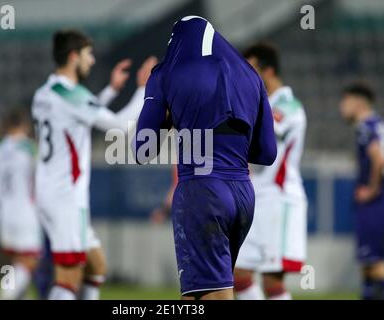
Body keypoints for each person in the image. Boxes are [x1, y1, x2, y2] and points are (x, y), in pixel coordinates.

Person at [133, 16, 277, 300]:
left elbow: (142, 149)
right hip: (243, 195)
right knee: (198, 294)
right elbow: (267, 153)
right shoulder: (250, 75)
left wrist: (171, 118)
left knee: (214, 294)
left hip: (202, 192)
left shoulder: (167, 72)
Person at [31, 29, 157, 299]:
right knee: (69, 276)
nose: (92, 61)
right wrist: (144, 88)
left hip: (51, 192)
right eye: (88, 55)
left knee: (96, 265)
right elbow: (120, 127)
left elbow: (79, 117)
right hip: (65, 196)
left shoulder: (46, 92)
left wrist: (111, 91)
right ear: (74, 56)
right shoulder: (72, 94)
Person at [234, 43, 308, 300]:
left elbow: (265, 126)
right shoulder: (261, 103)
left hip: (280, 199)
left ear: (267, 71)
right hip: (257, 198)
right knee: (238, 275)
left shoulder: (290, 105)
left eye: (250, 69)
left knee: (272, 282)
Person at [0, 110, 42, 299]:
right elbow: (40, 180)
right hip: (25, 211)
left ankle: (18, 295)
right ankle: (4, 295)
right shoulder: (29, 148)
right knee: (30, 259)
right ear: (23, 126)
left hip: (3, 212)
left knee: (14, 260)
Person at [339, 83, 384, 300]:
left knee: (374, 265)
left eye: (344, 101)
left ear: (357, 102)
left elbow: (379, 159)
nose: (341, 107)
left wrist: (372, 190)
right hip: (377, 203)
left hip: (375, 203)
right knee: (368, 268)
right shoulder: (377, 124)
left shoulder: (366, 127)